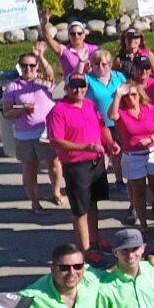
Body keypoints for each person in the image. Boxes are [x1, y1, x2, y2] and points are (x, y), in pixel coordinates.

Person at [47, 75, 114, 257]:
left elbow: (102, 127)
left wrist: (110, 142)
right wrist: (86, 147)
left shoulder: (90, 105)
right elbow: (56, 141)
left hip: (96, 162)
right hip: (76, 165)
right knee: (80, 210)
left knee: (93, 203)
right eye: (74, 86)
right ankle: (85, 251)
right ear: (67, 88)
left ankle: (94, 241)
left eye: (82, 85)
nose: (78, 90)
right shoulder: (58, 111)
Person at [2, 52, 65, 214]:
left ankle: (56, 192)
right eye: (24, 65)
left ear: (37, 67)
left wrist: (41, 56)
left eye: (32, 65)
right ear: (19, 67)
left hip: (47, 132)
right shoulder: (12, 87)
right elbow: (7, 112)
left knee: (55, 164)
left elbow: (51, 75)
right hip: (25, 135)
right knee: (30, 169)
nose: (28, 69)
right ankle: (35, 203)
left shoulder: (43, 83)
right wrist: (21, 109)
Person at [106, 83, 154, 231]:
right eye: (127, 96)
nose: (130, 98)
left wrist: (151, 139)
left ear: (140, 95)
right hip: (133, 156)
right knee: (139, 193)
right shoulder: (121, 112)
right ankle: (144, 225)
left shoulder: (150, 109)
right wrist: (118, 94)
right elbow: (111, 116)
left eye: (133, 94)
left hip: (153, 152)